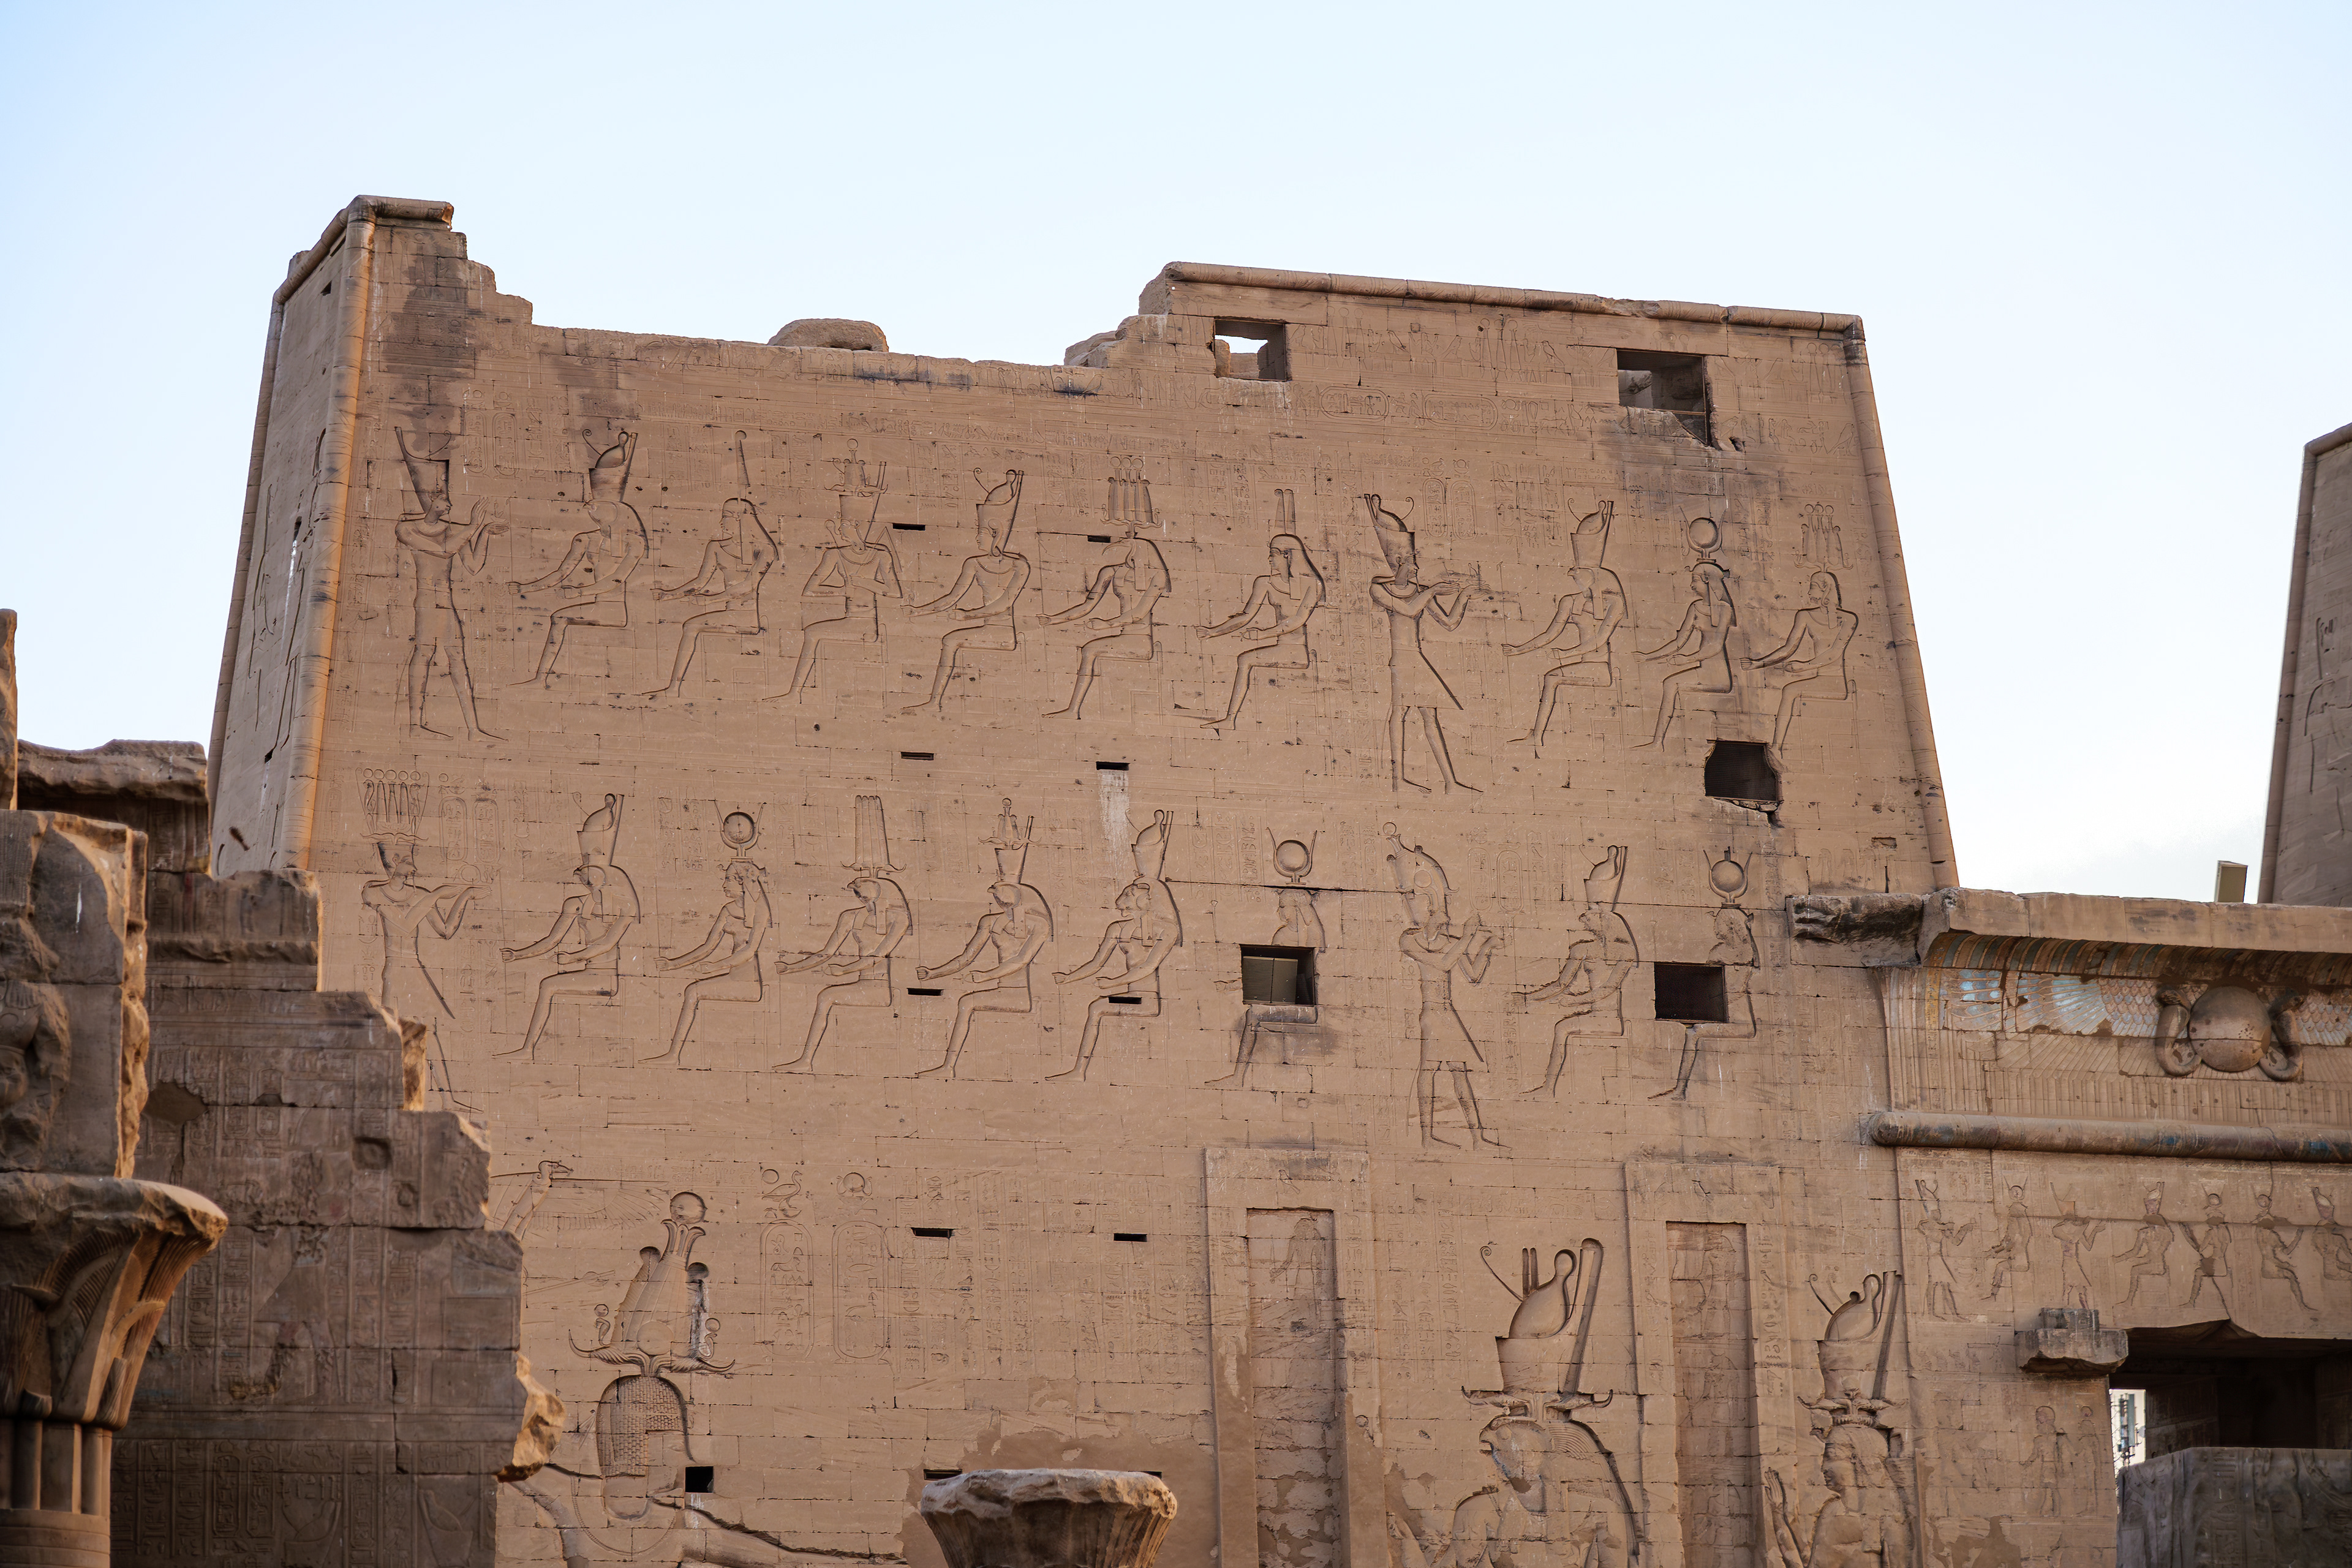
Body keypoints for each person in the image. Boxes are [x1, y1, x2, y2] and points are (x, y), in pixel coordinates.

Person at [500, 796, 639, 1058]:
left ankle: (527, 1049)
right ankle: (527, 1049)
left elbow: (608, 943)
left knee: (548, 986)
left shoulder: (624, 906)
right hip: (588, 971)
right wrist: (519, 955)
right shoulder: (575, 904)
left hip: (606, 976)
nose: (590, 881)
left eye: (594, 875)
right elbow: (552, 940)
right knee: (547, 985)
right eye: (586, 875)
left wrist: (574, 957)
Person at [1366, 496, 1480, 793]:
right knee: (1400, 713)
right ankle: (1398, 779)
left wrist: (1464, 596)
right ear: (1399, 564)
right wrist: (1431, 591)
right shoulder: (1379, 588)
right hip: (1401, 659)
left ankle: (1450, 782)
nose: (1416, 572)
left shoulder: (1419, 590)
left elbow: (1449, 623)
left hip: (1416, 658)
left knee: (1430, 715)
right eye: (1412, 566)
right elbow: (1407, 610)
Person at [394, 431, 503, 739]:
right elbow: (442, 550)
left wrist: (483, 533)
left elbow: (473, 565)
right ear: (431, 499)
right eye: (443, 497)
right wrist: (473, 526)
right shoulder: (407, 528)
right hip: (428, 599)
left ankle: (473, 729)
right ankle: (416, 725)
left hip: (447, 600)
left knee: (458, 658)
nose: (449, 502)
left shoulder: (453, 530)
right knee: (425, 653)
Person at [516, 433, 649, 686]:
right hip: (595, 601)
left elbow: (615, 579)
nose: (590, 509)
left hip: (612, 609)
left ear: (615, 509)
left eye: (596, 504)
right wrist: (526, 588)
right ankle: (540, 679)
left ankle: (541, 678)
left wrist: (579, 594)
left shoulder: (634, 542)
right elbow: (561, 573)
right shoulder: (585, 539)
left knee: (559, 618)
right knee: (558, 617)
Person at [902, 471, 1029, 715]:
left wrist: (969, 616)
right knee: (949, 639)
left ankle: (934, 702)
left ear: (995, 535)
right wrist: (918, 611)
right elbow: (952, 598)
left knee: (950, 640)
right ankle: (934, 702)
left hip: (1002, 633)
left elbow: (1005, 603)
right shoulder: (974, 563)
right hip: (987, 627)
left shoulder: (1019, 565)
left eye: (980, 533)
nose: (976, 538)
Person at [1186, 502, 1324, 727]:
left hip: (1296, 651)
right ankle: (1230, 719)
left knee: (1245, 659)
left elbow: (1298, 620)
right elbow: (1245, 616)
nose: (1269, 559)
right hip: (1281, 645)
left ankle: (1230, 720)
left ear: (1287, 555)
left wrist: (1263, 635)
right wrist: (1213, 632)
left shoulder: (1312, 584)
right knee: (1245, 659)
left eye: (1273, 554)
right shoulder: (1265, 583)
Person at [1505, 501, 1624, 750]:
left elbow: (1600, 639)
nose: (1574, 574)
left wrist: (1566, 654)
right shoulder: (1570, 601)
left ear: (1593, 574)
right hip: (1584, 664)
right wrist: (1518, 649)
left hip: (1600, 669)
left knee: (1551, 678)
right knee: (1551, 678)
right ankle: (1536, 737)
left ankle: (1536, 736)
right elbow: (1550, 634)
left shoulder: (1614, 603)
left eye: (1580, 570)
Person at [649, 823, 771, 1064]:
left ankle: (674, 1055)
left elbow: (749, 951)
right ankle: (673, 1055)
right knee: (692, 990)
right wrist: (673, 964)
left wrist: (715, 968)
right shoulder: (728, 909)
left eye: (728, 880)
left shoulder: (760, 910)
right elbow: (707, 947)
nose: (724, 885)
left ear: (743, 882)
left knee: (693, 991)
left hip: (748, 983)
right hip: (733, 977)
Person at [913, 879, 1052, 1079]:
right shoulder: (990, 922)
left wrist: (986, 976)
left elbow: (1022, 960)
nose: (999, 902)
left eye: (1002, 898)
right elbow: (967, 957)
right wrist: (935, 972)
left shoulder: (1039, 924)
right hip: (1002, 988)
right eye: (997, 898)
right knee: (965, 1001)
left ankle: (948, 1067)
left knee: (966, 1002)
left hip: (1018, 995)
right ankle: (948, 1067)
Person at [1043, 500, 1169, 719]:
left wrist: (1107, 625)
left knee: (1090, 650)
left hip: (1139, 641)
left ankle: (1073, 711)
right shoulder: (1111, 572)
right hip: (1123, 636)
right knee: (1089, 649)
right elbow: (1088, 605)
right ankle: (1073, 710)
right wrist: (1054, 620)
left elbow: (1139, 613)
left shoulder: (1156, 576)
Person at [644, 497, 777, 698]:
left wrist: (710, 600)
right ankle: (673, 688)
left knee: (691, 626)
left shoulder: (765, 551)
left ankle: (673, 689)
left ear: (739, 519)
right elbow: (700, 582)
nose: (721, 522)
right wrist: (668, 595)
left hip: (747, 617)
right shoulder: (716, 547)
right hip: (730, 613)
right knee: (690, 626)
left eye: (725, 517)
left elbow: (749, 585)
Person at [777, 875, 913, 1070]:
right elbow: (826, 953)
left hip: (881, 986)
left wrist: (844, 970)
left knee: (826, 996)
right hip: (863, 982)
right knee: (825, 995)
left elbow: (877, 957)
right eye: (858, 893)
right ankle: (805, 1061)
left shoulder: (898, 918)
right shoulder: (851, 917)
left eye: (863, 892)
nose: (861, 897)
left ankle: (806, 1061)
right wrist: (793, 967)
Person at [1050, 878, 1180, 1080]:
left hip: (1146, 1000)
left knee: (1097, 1007)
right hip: (1132, 996)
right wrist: (1069, 978)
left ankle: (1079, 1072)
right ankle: (1079, 1071)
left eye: (1130, 899)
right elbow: (1097, 963)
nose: (1124, 909)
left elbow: (1148, 967)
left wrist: (1113, 982)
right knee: (1097, 1007)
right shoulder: (1118, 928)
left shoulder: (1166, 930)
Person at [780, 483, 902, 698]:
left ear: (855, 524)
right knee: (811, 630)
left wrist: (863, 582)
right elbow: (809, 590)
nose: (839, 530)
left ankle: (794, 693)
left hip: (866, 624)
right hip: (850, 618)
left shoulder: (880, 554)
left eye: (843, 524)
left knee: (812, 632)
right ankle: (794, 693)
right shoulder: (835, 554)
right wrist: (841, 590)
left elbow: (894, 592)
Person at [1748, 569, 1858, 753]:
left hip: (1835, 682)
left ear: (1825, 590)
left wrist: (1803, 667)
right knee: (1789, 689)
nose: (1809, 593)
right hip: (1819, 678)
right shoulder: (1805, 616)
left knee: (1789, 690)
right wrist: (1759, 663)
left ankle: (1777, 747)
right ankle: (1777, 747)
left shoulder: (1848, 619)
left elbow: (1835, 652)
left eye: (1813, 587)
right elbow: (1788, 649)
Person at [1635, 560, 1736, 748]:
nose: (1692, 585)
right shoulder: (1696, 607)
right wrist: (1649, 656)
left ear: (1707, 581)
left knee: (1670, 683)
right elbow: (1679, 642)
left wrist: (1687, 660)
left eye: (1695, 580)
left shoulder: (1724, 609)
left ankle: (1658, 743)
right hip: (1703, 670)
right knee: (1669, 683)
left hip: (1718, 676)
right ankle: (1657, 743)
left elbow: (1716, 645)